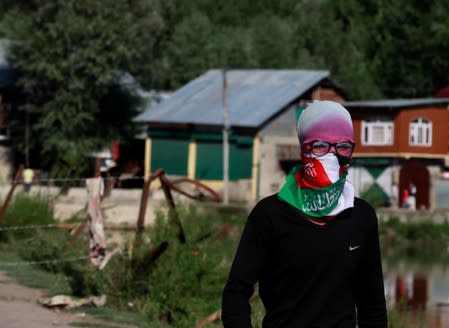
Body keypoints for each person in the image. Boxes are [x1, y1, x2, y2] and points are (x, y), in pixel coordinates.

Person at [222, 100, 387, 327]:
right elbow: (236, 293)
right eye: (320, 146)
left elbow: (373, 304)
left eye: (343, 147)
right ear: (303, 150)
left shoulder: (361, 217)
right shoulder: (270, 215)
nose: (332, 155)